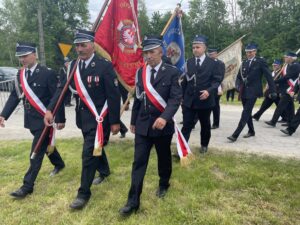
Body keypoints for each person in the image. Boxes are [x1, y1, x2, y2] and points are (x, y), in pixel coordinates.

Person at [44, 29, 120, 209]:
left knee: (87, 155)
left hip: (100, 119)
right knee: (95, 147)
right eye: (77, 45)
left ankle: (83, 193)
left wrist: (115, 121)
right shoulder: (71, 67)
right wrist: (50, 111)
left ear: (93, 45)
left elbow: (114, 95)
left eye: (83, 45)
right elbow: (60, 91)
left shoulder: (104, 66)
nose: (79, 49)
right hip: (83, 118)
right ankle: (105, 170)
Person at [119, 36, 182, 216]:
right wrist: (132, 121)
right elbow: (139, 97)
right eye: (145, 53)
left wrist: (165, 117)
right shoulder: (141, 72)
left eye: (152, 52)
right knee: (138, 162)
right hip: (143, 125)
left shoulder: (172, 72)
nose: (148, 56)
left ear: (161, 52)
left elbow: (175, 98)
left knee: (163, 158)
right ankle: (133, 202)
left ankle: (164, 183)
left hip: (162, 126)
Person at [0, 42, 66, 199]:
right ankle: (59, 164)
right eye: (20, 57)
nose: (22, 59)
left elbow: (58, 97)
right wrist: (3, 114)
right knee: (44, 145)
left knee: (36, 151)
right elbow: (15, 96)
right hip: (31, 120)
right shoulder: (20, 74)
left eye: (25, 55)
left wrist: (60, 118)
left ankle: (27, 186)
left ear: (34, 55)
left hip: (45, 121)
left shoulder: (47, 73)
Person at [181, 35, 222, 153]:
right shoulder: (188, 62)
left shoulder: (213, 63)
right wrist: (181, 97)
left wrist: (209, 91)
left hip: (205, 100)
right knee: (187, 125)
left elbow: (217, 80)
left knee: (205, 125)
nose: (195, 49)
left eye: (197, 47)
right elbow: (185, 81)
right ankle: (183, 148)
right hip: (189, 100)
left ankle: (204, 145)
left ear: (204, 48)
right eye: (193, 47)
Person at [227, 43, 276, 142]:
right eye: (247, 52)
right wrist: (237, 85)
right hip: (244, 91)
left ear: (255, 52)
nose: (248, 54)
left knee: (245, 112)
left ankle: (235, 134)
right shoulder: (243, 63)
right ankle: (251, 131)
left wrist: (273, 90)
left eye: (250, 52)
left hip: (254, 91)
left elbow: (268, 76)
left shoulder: (260, 62)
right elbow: (239, 77)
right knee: (247, 112)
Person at [265, 52, 300, 127]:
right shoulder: (288, 65)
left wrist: (274, 81)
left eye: (286, 57)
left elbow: (287, 77)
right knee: (290, 106)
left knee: (280, 106)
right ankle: (290, 121)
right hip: (287, 89)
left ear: (291, 58)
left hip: (290, 88)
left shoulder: (296, 66)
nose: (285, 58)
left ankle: (273, 121)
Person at [208, 48, 225, 129]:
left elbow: (220, 78)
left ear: (216, 54)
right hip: (206, 88)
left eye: (212, 54)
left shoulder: (220, 64)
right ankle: (193, 122)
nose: (210, 56)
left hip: (216, 88)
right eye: (209, 54)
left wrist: (219, 89)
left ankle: (216, 123)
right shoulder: (206, 63)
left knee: (215, 106)